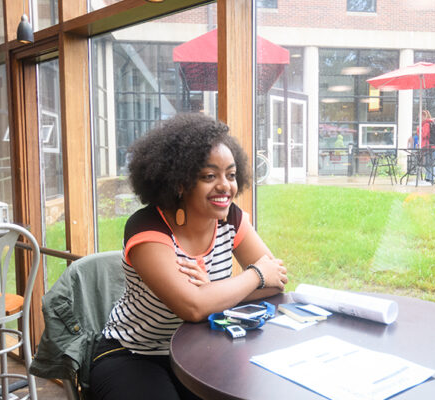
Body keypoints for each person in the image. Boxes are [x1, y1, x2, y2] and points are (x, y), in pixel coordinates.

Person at [89, 113, 288, 400]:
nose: (225, 186)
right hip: (136, 354)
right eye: (209, 176)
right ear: (180, 182)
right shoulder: (148, 227)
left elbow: (276, 281)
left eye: (231, 175)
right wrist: (252, 276)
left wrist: (212, 292)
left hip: (200, 350)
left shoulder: (231, 220)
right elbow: (192, 308)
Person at [418, 110, 435, 183]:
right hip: (433, 146)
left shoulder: (426, 124)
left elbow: (424, 135)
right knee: (430, 163)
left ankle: (430, 178)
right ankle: (429, 178)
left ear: (424, 116)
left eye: (420, 116)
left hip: (428, 146)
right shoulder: (430, 123)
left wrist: (419, 129)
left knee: (429, 163)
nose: (419, 117)